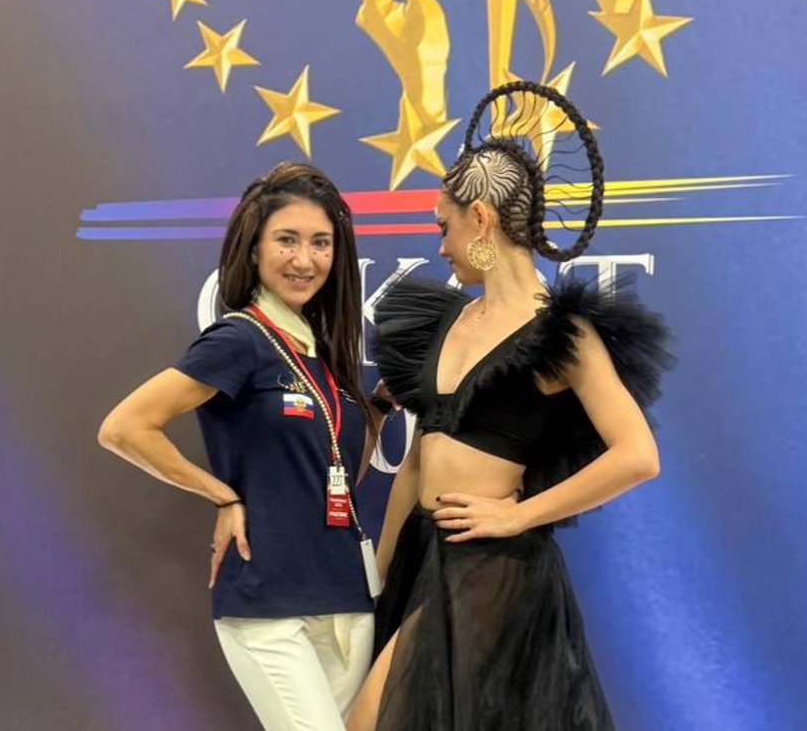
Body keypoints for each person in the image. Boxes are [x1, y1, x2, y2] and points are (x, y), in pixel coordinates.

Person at [345, 82, 674, 731]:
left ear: (480, 218)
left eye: (443, 226)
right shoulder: (446, 320)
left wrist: (518, 514)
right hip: (421, 559)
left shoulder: (561, 334)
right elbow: (418, 461)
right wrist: (378, 578)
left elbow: (638, 455)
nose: (440, 246)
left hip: (490, 568)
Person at [98, 161, 382, 731]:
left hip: (347, 597)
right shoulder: (239, 340)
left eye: (320, 243)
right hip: (267, 601)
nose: (305, 259)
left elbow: (335, 469)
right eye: (287, 240)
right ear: (254, 249)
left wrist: (379, 406)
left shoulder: (321, 355)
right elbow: (125, 427)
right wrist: (222, 496)